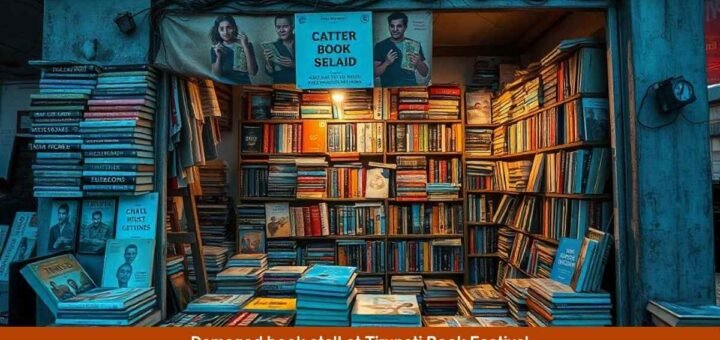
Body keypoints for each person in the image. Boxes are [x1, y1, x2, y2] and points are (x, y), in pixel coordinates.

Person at [373, 12, 429, 87]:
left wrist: (418, 62)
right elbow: (374, 74)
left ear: (405, 27)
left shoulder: (413, 45)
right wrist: (386, 63)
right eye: (392, 26)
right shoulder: (380, 46)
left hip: (410, 89)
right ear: (388, 27)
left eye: (399, 26)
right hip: (389, 88)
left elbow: (425, 73)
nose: (395, 29)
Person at [210, 15, 258, 84]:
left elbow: (253, 72)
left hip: (244, 84)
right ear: (218, 31)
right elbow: (217, 75)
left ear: (234, 28)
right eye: (221, 29)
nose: (225, 32)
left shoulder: (247, 44)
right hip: (226, 85)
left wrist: (245, 47)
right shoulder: (216, 48)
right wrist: (219, 56)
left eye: (228, 27)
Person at [263, 15, 296, 84]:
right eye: (278, 27)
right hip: (280, 84)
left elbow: (314, 68)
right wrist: (268, 62)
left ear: (292, 27)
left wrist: (294, 65)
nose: (281, 30)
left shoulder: (303, 42)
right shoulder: (273, 46)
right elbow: (271, 74)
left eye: (285, 26)